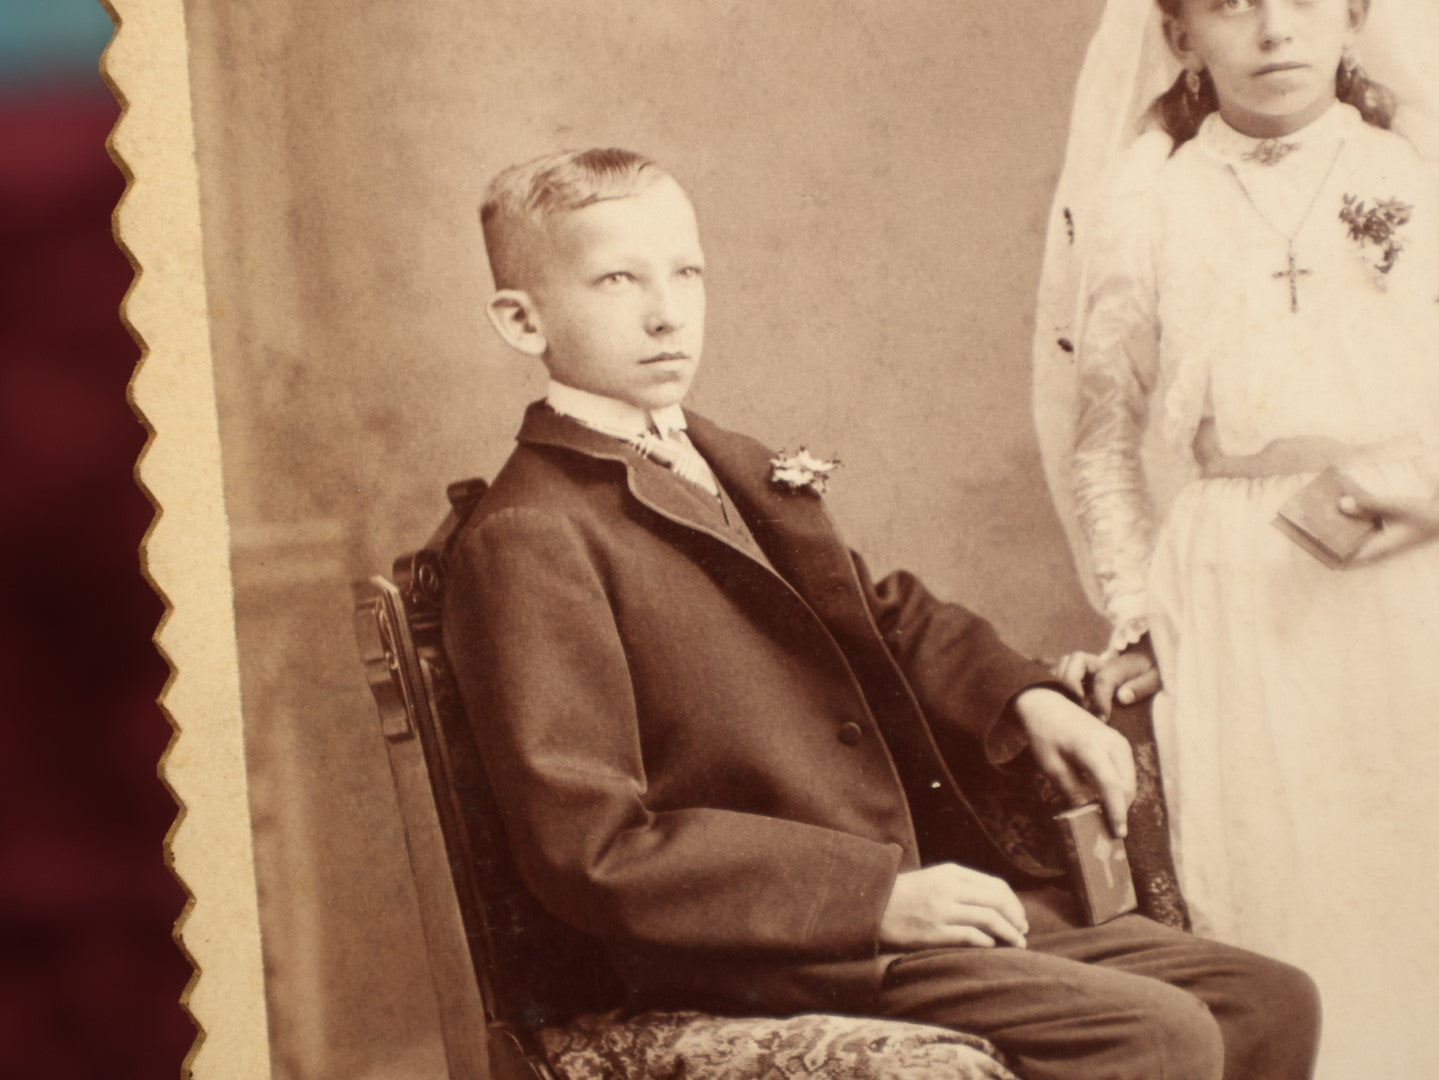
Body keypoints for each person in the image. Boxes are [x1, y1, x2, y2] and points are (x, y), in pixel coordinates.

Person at [441, 147, 1320, 1080]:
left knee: (1264, 1000)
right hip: (757, 944)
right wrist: (873, 899)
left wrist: (1025, 698)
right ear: (521, 319)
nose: (667, 312)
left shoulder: (723, 456)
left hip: (887, 898)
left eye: (686, 272)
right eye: (617, 279)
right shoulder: (532, 533)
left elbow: (880, 614)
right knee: (1153, 1035)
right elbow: (592, 845)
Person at [1048, 1, 1439, 1074]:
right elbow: (1102, 439)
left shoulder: (1415, 169)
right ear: (1177, 37)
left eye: (1303, 0)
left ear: (1353, 21)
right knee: (1273, 873)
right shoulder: (1149, 197)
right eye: (1230, 4)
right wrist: (1132, 614)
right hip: (1231, 584)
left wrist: (1418, 492)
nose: (1272, 31)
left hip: (1412, 571)